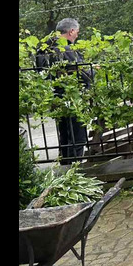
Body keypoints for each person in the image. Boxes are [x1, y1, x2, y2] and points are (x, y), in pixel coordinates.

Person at [35, 18, 94, 165]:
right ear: (71, 31)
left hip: (55, 97)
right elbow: (83, 74)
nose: (77, 36)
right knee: (78, 137)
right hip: (72, 98)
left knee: (65, 136)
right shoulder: (66, 50)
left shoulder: (44, 49)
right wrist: (92, 71)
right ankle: (75, 170)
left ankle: (65, 169)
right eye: (77, 33)